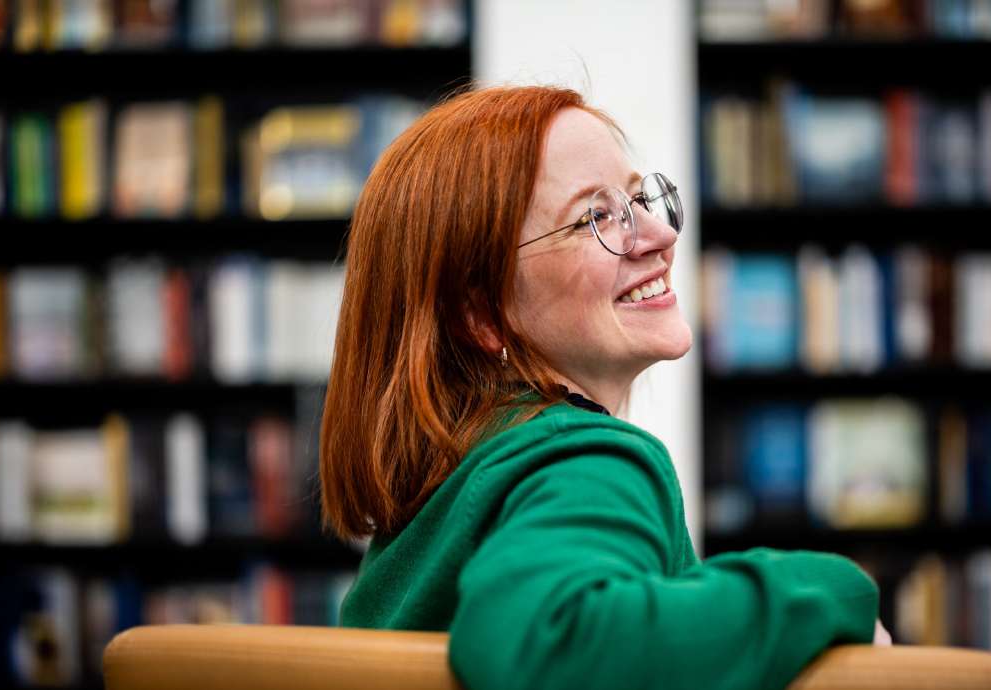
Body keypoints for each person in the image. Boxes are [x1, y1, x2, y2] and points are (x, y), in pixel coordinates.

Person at [321, 84, 888, 690]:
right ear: (481, 313)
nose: (661, 237)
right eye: (595, 217)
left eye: (640, 199)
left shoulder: (445, 494)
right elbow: (547, 640)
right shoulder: (585, 460)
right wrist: (830, 592)